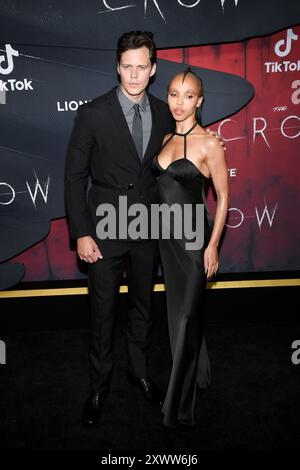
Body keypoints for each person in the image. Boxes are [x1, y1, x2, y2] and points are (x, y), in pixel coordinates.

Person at [64, 31, 172, 426]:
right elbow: (74, 177)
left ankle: (138, 372)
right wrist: (82, 232)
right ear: (117, 67)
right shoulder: (93, 113)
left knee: (143, 305)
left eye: (141, 66)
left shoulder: (163, 112)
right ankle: (99, 385)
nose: (133, 74)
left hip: (147, 225)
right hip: (104, 227)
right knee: (104, 311)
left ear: (153, 69)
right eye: (127, 66)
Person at [151, 68, 229, 429]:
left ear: (200, 100)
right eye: (173, 94)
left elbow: (224, 197)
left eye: (188, 95)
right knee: (180, 313)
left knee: (184, 318)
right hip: (168, 243)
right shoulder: (165, 137)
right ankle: (199, 370)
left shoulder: (210, 143)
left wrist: (213, 245)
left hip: (196, 243)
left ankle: (178, 407)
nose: (179, 102)